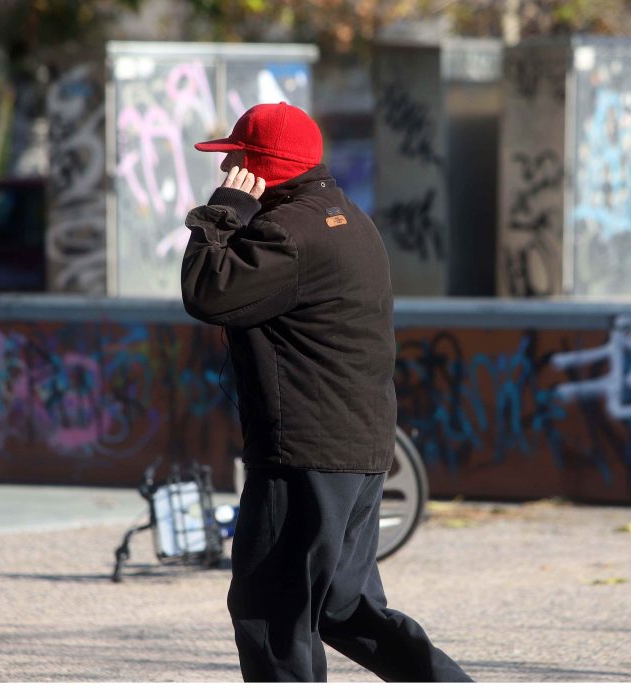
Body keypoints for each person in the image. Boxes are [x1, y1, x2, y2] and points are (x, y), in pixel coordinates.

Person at [180, 102, 473, 683]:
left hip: (306, 454)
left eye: (234, 158)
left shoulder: (286, 232)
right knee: (344, 607)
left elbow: (207, 292)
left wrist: (223, 214)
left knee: (272, 613)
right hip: (358, 450)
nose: (225, 170)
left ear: (261, 167)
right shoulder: (346, 217)